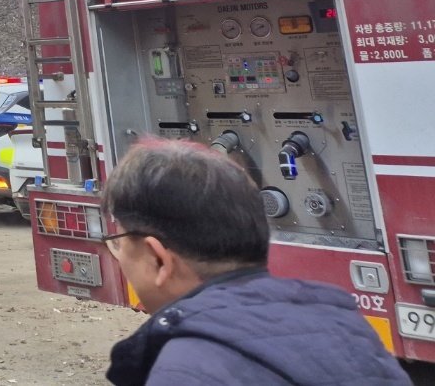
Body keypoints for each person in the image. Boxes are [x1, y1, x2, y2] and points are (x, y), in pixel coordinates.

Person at [100, 139, 408, 386]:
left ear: (158, 259)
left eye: (118, 243)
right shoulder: (351, 330)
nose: (118, 255)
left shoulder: (187, 370)